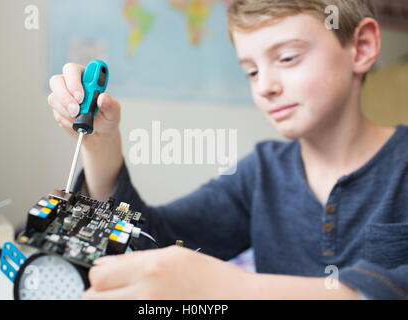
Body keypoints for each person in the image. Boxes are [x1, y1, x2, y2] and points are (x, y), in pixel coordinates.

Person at [47, 0, 408, 299]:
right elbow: (153, 238)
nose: (264, 87)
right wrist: (101, 142)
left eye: (286, 58)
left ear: (360, 48)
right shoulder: (261, 174)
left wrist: (237, 288)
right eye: (251, 72)